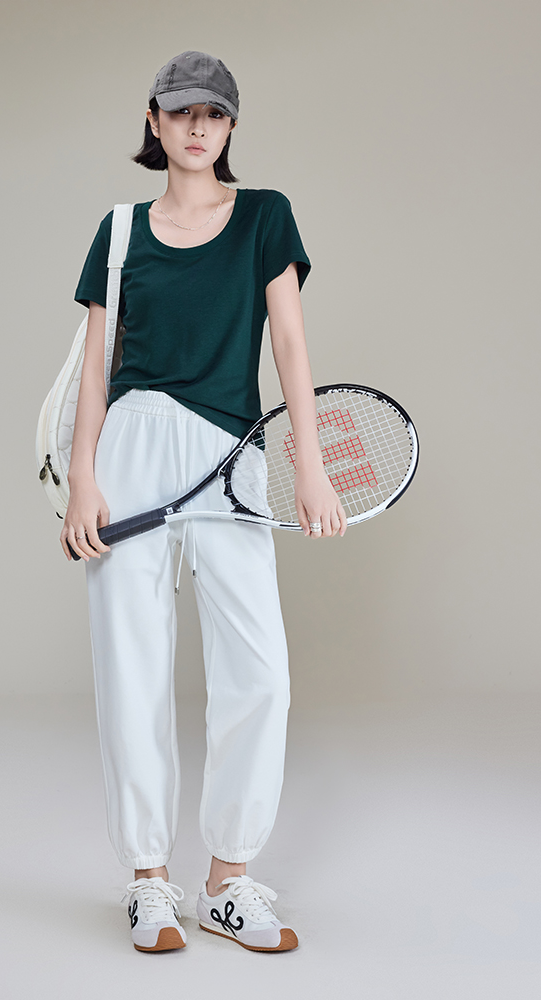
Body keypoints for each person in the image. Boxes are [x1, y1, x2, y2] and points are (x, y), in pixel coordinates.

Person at [62, 50, 347, 953]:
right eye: (181, 112)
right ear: (154, 121)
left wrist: (308, 462)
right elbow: (97, 371)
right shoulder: (118, 231)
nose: (197, 128)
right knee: (131, 666)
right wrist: (82, 478)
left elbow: (290, 347)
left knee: (258, 671)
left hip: (229, 454)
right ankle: (149, 882)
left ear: (230, 125)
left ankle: (228, 881)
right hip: (131, 449)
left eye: (213, 114)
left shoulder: (265, 217)